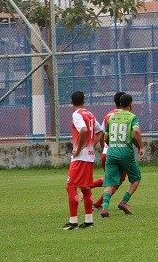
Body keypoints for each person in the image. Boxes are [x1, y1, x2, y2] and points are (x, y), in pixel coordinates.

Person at [99, 93, 144, 218]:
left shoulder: (112, 117)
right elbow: (135, 131)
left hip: (111, 153)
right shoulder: (132, 117)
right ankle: (123, 202)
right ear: (131, 104)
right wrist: (141, 146)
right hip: (125, 153)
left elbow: (106, 138)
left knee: (111, 183)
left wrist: (112, 145)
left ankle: (104, 208)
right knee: (136, 179)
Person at [63, 91, 102, 230]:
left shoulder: (76, 114)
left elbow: (84, 130)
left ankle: (73, 222)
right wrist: (91, 144)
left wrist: (79, 149)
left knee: (71, 187)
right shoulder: (90, 114)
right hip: (90, 157)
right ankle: (88, 221)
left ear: (71, 102)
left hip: (80, 157)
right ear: (84, 101)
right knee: (85, 188)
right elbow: (100, 131)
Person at [91, 92, 127, 211]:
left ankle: (97, 202)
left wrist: (103, 149)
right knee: (115, 181)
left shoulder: (108, 115)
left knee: (111, 180)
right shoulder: (127, 115)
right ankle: (89, 188)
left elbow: (102, 134)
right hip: (120, 153)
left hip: (107, 153)